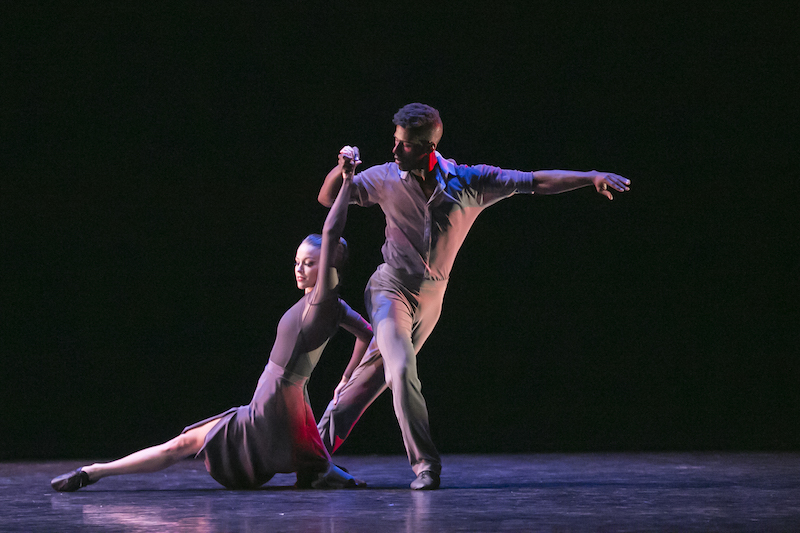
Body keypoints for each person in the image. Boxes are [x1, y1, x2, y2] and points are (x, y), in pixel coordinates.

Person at [316, 103, 631, 490]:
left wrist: (591, 177)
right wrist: (343, 169)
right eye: (394, 142)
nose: (395, 151)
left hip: (431, 300)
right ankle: (426, 466)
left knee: (370, 380)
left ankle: (311, 455)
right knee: (400, 369)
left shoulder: (470, 182)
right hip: (389, 289)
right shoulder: (384, 177)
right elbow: (329, 197)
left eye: (405, 145)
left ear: (428, 146)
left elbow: (535, 181)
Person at [51, 150, 372, 492]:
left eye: (309, 263)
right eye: (297, 261)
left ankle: (94, 472)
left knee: (181, 444)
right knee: (183, 444)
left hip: (271, 405)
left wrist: (348, 180)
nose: (299, 268)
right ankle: (94, 472)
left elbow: (332, 229)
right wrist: (347, 375)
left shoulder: (324, 299)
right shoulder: (330, 307)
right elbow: (366, 334)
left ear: (330, 263)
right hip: (274, 403)